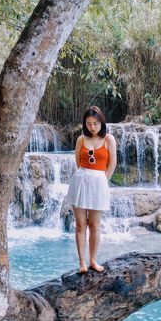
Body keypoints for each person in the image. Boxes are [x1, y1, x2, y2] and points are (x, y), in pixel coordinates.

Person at [63, 106, 117, 273]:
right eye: (88, 124)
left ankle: (93, 260)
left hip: (99, 182)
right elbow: (78, 161)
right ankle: (82, 262)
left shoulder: (109, 139)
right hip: (80, 181)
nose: (92, 127)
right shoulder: (81, 139)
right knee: (80, 224)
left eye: (95, 123)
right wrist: (86, 176)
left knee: (94, 225)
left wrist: (101, 180)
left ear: (101, 122)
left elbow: (112, 164)